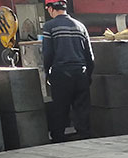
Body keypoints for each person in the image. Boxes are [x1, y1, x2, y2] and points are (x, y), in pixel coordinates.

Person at [41, 0, 94, 142]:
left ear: (51, 9)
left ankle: (58, 138)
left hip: (61, 74)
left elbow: (47, 54)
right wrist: (88, 75)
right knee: (82, 109)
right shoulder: (80, 26)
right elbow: (90, 56)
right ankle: (85, 136)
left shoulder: (49, 26)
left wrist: (47, 72)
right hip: (80, 73)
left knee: (60, 109)